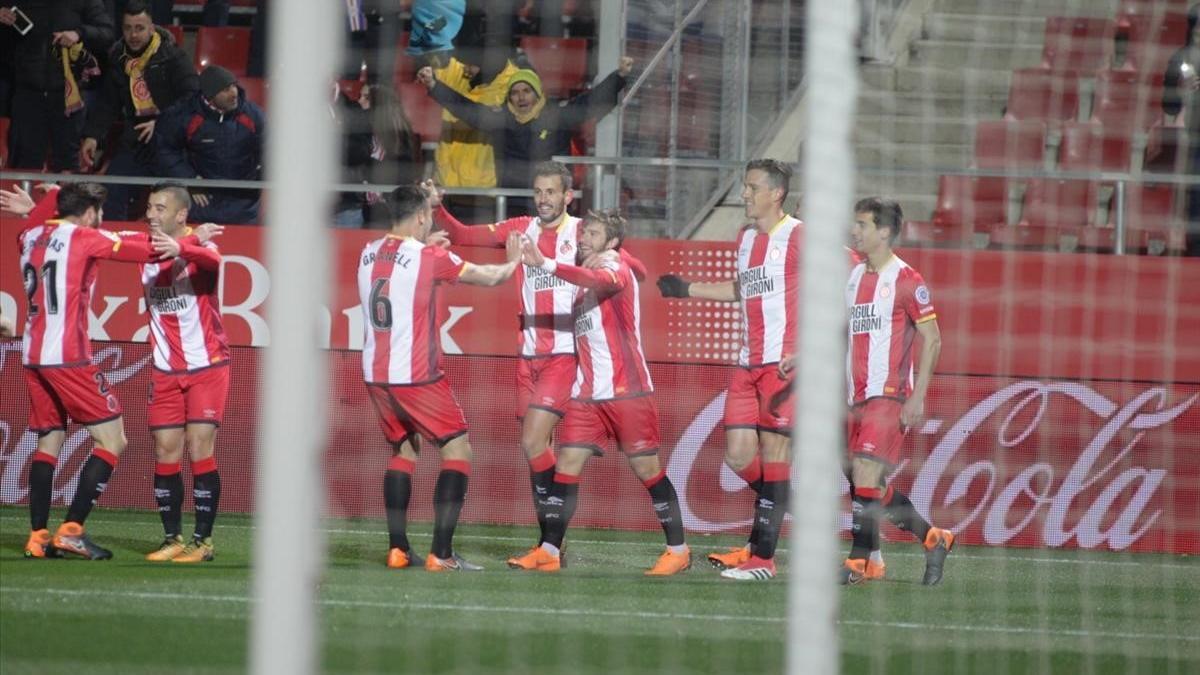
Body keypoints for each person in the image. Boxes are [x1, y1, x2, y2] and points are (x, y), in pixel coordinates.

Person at [426, 161, 646, 562]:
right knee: (535, 448)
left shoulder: (582, 232)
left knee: (532, 440)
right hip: (526, 354)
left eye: (551, 192)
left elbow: (633, 265)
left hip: (564, 352)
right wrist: (439, 208)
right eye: (538, 191)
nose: (543, 199)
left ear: (568, 196)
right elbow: (462, 234)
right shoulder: (521, 228)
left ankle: (551, 542)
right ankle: (551, 541)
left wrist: (622, 265)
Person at [508, 209, 690, 576]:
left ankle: (678, 550)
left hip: (627, 391)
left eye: (592, 233)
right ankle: (549, 551)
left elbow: (607, 274)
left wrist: (543, 263)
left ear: (610, 242)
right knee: (566, 469)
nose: (583, 237)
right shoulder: (593, 272)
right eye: (584, 231)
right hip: (587, 394)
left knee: (648, 470)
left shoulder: (613, 268)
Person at [655, 159, 805, 581]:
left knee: (776, 455)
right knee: (739, 456)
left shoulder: (798, 235)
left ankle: (764, 560)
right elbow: (742, 289)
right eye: (744, 187)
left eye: (752, 187)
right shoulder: (746, 238)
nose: (743, 194)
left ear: (775, 194)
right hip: (745, 364)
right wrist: (688, 290)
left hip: (782, 365)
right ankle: (781, 500)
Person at [17, 182, 184, 560]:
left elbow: (39, 221)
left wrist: (50, 195)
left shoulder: (29, 235)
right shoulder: (84, 238)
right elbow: (147, 251)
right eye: (98, 212)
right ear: (90, 212)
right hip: (68, 355)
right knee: (113, 440)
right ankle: (72, 530)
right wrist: (185, 240)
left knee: (49, 442)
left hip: (33, 355)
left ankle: (38, 537)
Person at [360, 184, 522, 571]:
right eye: (427, 215)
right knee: (458, 451)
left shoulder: (368, 252)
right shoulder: (429, 256)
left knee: (404, 451)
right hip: (416, 374)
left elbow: (401, 264)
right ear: (419, 216)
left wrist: (427, 247)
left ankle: (398, 550)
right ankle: (442, 554)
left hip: (375, 373)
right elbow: (488, 277)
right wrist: (513, 262)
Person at [838, 197, 953, 586]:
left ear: (884, 232)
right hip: (853, 396)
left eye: (862, 225)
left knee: (866, 472)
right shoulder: (854, 277)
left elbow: (933, 339)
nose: (855, 231)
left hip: (888, 394)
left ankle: (858, 563)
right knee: (864, 482)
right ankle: (933, 538)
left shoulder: (907, 280)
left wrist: (917, 396)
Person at [133, 182, 230, 563]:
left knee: (200, 448)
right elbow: (104, 240)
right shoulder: (144, 249)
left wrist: (186, 246)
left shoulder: (201, 248)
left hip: (207, 366)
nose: (150, 214)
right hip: (165, 370)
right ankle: (172, 537)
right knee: (165, 450)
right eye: (149, 207)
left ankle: (203, 542)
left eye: (159, 208)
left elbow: (215, 263)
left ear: (180, 215)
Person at [416, 56, 633, 209]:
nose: (521, 98)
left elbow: (589, 102)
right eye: (515, 93)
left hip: (552, 205)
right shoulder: (502, 119)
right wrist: (434, 85)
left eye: (527, 91)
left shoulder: (556, 116)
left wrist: (620, 76)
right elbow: (467, 109)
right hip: (510, 204)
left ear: (537, 94)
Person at [80, 0, 198, 220]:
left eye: (140, 28)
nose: (133, 35)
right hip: (135, 139)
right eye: (128, 28)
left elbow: (192, 97)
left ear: (152, 27)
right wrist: (92, 135)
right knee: (111, 192)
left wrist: (162, 122)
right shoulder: (117, 58)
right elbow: (108, 103)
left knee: (174, 200)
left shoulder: (172, 56)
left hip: (171, 142)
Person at [0, 1, 113, 172]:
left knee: (68, 166)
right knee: (26, 165)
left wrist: (79, 33)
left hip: (69, 96)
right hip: (27, 93)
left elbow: (107, 33)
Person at [157, 66, 266, 225]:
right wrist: (190, 180)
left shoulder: (253, 115)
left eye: (233, 85)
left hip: (244, 203)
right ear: (209, 96)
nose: (234, 93)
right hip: (202, 203)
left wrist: (259, 179)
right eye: (225, 90)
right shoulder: (185, 115)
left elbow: (272, 150)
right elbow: (166, 149)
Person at [1162, 3, 1200, 256]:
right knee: (1196, 199)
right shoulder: (1181, 58)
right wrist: (1181, 90)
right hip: (1198, 141)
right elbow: (1169, 106)